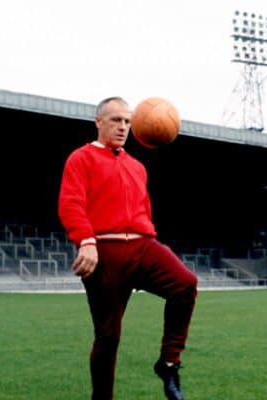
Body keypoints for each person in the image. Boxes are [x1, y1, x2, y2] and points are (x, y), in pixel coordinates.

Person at [58, 97, 198, 400]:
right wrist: (86, 241)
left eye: (127, 122)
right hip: (104, 255)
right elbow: (71, 204)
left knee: (186, 284)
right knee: (108, 338)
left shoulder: (137, 167)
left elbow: (143, 211)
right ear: (98, 122)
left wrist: (149, 240)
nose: (123, 127)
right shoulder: (80, 158)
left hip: (142, 247)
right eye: (116, 120)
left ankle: (169, 363)